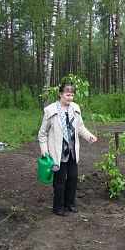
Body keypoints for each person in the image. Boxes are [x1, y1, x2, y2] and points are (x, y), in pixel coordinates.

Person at [38, 82, 97, 216]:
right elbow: (42, 132)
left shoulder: (75, 108)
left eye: (72, 95)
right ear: (60, 94)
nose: (70, 98)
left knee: (73, 177)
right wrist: (44, 148)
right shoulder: (51, 110)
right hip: (57, 152)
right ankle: (58, 207)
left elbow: (80, 127)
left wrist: (89, 136)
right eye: (68, 94)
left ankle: (70, 203)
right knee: (59, 180)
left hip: (72, 151)